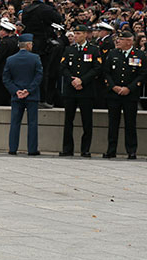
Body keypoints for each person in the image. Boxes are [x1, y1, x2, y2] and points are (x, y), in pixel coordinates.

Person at [102, 31, 145, 159]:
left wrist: (129, 88)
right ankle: (111, 150)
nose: (117, 41)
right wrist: (113, 86)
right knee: (113, 123)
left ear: (129, 41)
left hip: (130, 95)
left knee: (130, 123)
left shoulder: (139, 54)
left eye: (121, 39)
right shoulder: (113, 53)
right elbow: (106, 72)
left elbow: (142, 74)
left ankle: (131, 150)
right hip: (114, 94)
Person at [59, 24, 101, 157]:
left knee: (87, 121)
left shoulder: (93, 50)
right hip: (71, 90)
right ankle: (67, 148)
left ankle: (85, 149)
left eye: (78, 34)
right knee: (68, 120)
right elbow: (63, 67)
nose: (75, 36)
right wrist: (72, 80)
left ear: (84, 34)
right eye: (74, 34)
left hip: (85, 89)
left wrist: (82, 80)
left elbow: (97, 68)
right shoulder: (69, 49)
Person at [2, 33, 42, 155]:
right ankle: (32, 149)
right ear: (29, 44)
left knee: (15, 123)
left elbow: (6, 78)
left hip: (16, 96)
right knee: (32, 123)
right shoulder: (35, 58)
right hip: (31, 95)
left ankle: (12, 148)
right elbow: (38, 76)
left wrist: (16, 91)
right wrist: (28, 90)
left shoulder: (10, 59)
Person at [22, 0, 63, 101]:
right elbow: (58, 19)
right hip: (44, 44)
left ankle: (27, 95)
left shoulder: (26, 9)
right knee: (43, 71)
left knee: (29, 70)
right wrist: (51, 4)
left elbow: (24, 22)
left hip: (29, 42)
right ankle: (42, 97)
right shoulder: (47, 9)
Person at [0, 20, 18, 106]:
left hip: (0, 70)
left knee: (0, 90)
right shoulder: (13, 41)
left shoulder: (4, 42)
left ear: (4, 31)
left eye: (1, 30)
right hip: (9, 69)